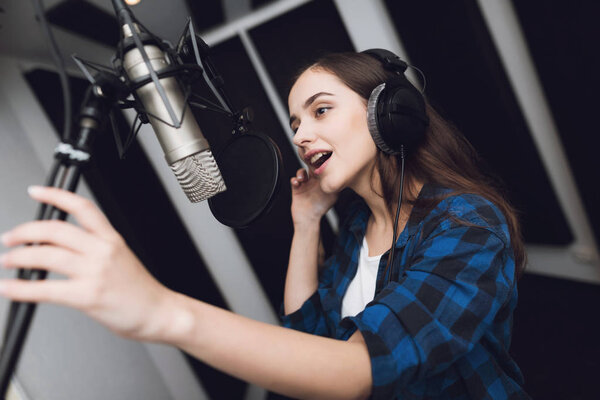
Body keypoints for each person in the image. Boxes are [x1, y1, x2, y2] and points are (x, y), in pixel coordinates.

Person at [0, 50, 529, 399]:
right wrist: (306, 222)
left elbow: (358, 369)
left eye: (320, 111)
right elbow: (308, 332)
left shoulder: (467, 223)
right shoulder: (353, 226)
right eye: (296, 122)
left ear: (390, 113)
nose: (300, 135)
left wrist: (161, 311)